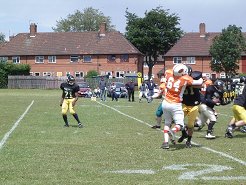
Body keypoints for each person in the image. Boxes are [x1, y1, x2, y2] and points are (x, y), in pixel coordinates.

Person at [160, 64, 203, 149]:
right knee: (180, 124)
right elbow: (199, 83)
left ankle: (166, 142)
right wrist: (202, 78)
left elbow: (165, 77)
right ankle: (173, 131)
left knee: (168, 122)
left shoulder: (169, 73)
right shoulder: (186, 79)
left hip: (166, 102)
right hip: (177, 103)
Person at [178, 67, 202, 148]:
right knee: (178, 121)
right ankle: (184, 133)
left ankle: (188, 140)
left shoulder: (194, 78)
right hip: (184, 104)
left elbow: (200, 85)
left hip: (193, 105)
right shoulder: (180, 79)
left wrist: (190, 83)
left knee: (191, 125)